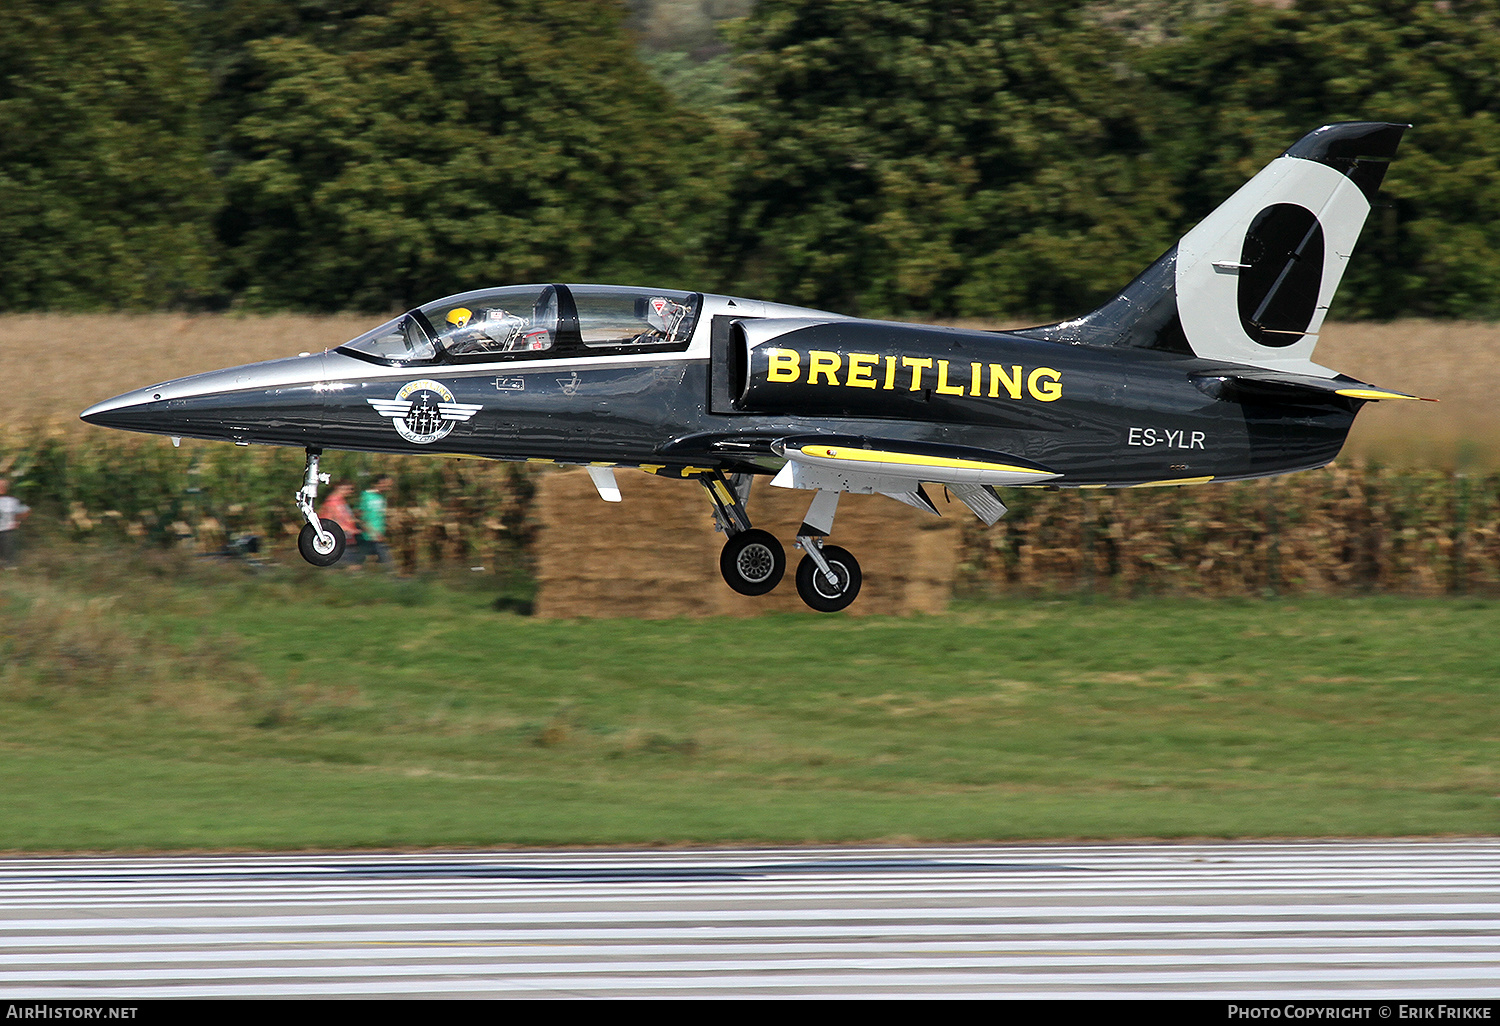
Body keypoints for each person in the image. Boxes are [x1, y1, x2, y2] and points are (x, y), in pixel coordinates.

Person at [355, 475, 394, 569]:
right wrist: (369, 530)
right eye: (387, 484)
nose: (389, 487)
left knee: (362, 562)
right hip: (368, 536)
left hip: (378, 536)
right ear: (381, 483)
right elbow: (358, 515)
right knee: (387, 562)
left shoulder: (382, 498)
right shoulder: (365, 496)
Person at [317, 480, 358, 564]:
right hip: (338, 538)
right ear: (338, 487)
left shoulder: (341, 501)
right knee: (350, 564)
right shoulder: (332, 502)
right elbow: (331, 520)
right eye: (347, 489)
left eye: (351, 489)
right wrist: (347, 529)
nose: (349, 491)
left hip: (347, 538)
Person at [0, 479, 30, 569]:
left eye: (2, 486)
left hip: (6, 532)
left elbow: (26, 510)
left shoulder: (11, 501)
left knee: (9, 559)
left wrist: (17, 521)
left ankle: (10, 569)